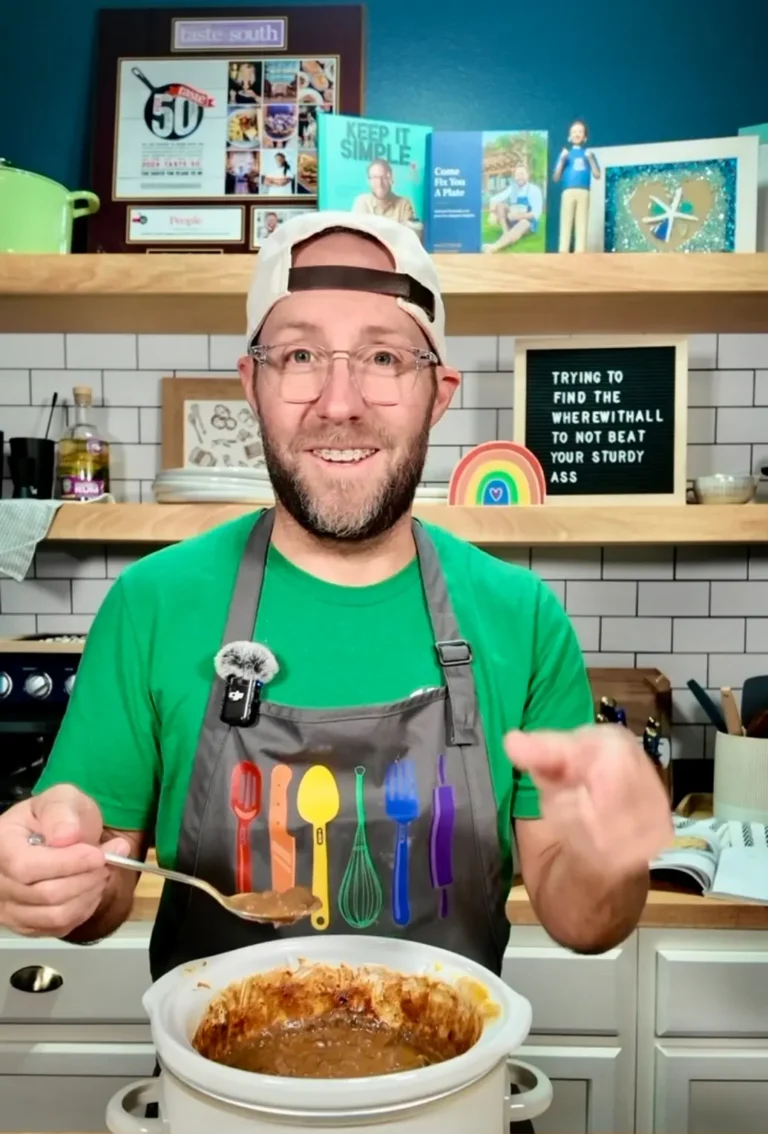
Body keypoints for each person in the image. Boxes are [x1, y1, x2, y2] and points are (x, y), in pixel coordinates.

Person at [0, 211, 671, 1001]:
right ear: (252, 383)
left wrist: (610, 853)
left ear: (438, 391)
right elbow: (96, 893)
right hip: (217, 1104)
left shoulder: (520, 617)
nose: (340, 402)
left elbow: (583, 922)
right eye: (301, 356)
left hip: (448, 1096)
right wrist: (59, 869)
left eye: (385, 357)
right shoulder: (152, 603)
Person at [553, 119, 601, 253]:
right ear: (569, 136)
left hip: (584, 192)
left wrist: (590, 159)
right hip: (568, 191)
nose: (577, 134)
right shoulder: (565, 154)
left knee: (582, 224)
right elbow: (556, 177)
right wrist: (562, 159)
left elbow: (597, 174)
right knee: (565, 223)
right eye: (574, 131)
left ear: (585, 136)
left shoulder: (588, 154)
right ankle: (563, 253)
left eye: (580, 131)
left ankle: (580, 253)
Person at [483, 162, 544, 253]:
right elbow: (494, 199)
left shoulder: (534, 190)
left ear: (527, 175)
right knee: (500, 205)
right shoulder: (513, 189)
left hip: (528, 223)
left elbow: (536, 214)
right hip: (513, 220)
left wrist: (518, 216)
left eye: (522, 174)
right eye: (517, 174)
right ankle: (506, 233)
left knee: (523, 222)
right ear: (515, 177)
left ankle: (495, 247)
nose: (519, 177)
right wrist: (492, 213)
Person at [353, 158, 419, 228]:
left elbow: (409, 235)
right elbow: (359, 234)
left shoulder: (404, 204)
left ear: (391, 179)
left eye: (384, 177)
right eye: (375, 177)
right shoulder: (361, 202)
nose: (379, 183)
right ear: (368, 181)